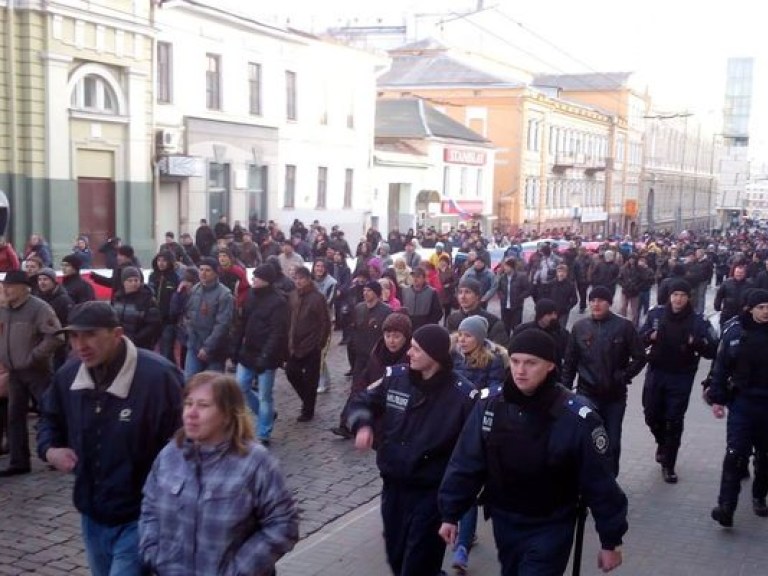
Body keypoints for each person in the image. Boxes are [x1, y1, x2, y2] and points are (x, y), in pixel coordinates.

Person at [438, 329, 628, 576]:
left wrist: (610, 541)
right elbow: (466, 462)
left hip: (552, 524)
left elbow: (600, 482)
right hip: (505, 519)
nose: (520, 370)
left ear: (550, 366)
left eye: (531, 363)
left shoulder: (577, 417)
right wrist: (450, 513)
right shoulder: (490, 406)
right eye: (515, 361)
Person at [37, 301, 183, 575]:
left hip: (142, 516)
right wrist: (49, 449)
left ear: (116, 334)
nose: (80, 345)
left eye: (90, 334)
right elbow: (49, 417)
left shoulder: (159, 376)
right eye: (74, 336)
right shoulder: (68, 375)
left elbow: (185, 442)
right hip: (91, 514)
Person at [348, 324, 477, 576]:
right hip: (394, 487)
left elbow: (471, 453)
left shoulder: (462, 396)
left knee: (418, 564)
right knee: (397, 559)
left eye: (416, 349)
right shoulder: (395, 378)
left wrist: (454, 508)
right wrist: (363, 425)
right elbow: (361, 400)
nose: (409, 353)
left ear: (435, 355)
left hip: (432, 494)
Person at [139, 372, 299, 575]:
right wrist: (153, 553)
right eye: (188, 403)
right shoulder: (170, 455)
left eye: (203, 405)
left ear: (227, 415)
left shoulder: (256, 463)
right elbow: (150, 506)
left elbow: (284, 524)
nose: (191, 413)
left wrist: (238, 570)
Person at [562, 285, 647, 476]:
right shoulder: (580, 328)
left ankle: (610, 480)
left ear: (609, 303)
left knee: (612, 442)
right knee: (587, 440)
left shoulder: (624, 327)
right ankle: (587, 483)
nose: (595, 304)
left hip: (614, 397)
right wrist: (564, 392)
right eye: (592, 300)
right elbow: (570, 363)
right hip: (586, 395)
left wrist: (624, 376)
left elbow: (640, 357)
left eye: (600, 300)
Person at [639, 278, 717, 483]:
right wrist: (650, 336)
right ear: (669, 296)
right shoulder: (656, 315)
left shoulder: (698, 320)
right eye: (675, 295)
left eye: (682, 295)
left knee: (674, 420)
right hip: (656, 371)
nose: (678, 299)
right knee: (651, 414)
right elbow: (639, 338)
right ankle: (662, 443)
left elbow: (713, 349)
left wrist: (697, 342)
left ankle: (668, 464)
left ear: (688, 297)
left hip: (681, 375)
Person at [449, 315, 508, 573]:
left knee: (470, 487)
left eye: (468, 335)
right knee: (456, 483)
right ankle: (461, 535)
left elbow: (494, 394)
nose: (462, 339)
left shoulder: (492, 361)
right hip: (452, 428)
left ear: (480, 339)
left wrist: (473, 394)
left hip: (475, 430)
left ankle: (462, 545)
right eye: (460, 334)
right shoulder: (452, 357)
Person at [707, 288, 768, 527]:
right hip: (742, 403)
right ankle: (726, 506)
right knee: (735, 455)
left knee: (766, 456)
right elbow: (721, 367)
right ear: (750, 309)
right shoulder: (735, 332)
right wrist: (717, 399)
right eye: (761, 307)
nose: (765, 312)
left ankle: (759, 495)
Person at [0, 271, 64, 476]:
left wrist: (35, 356)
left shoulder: (39, 308)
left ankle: (58, 451)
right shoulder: (4, 309)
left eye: (10, 286)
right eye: (4, 285)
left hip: (37, 371)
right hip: (14, 372)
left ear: (24, 287)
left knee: (50, 411)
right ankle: (19, 462)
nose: (6, 290)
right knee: (15, 417)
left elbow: (56, 337)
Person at [331, 311, 413, 440]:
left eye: (396, 336)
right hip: (378, 419)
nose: (391, 341)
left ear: (406, 337)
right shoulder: (377, 354)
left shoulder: (412, 359)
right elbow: (363, 383)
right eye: (388, 335)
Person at [232, 264, 289, 445]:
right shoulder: (250, 296)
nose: (253, 279)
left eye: (256, 277)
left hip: (268, 355)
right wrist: (234, 346)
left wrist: (265, 357)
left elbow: (277, 333)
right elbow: (242, 322)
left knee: (265, 395)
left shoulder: (279, 302)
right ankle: (268, 415)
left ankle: (263, 431)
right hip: (248, 351)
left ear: (266, 280)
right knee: (241, 387)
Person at [286, 266, 331, 422]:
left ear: (308, 279)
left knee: (311, 379)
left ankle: (308, 410)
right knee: (291, 372)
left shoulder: (317, 298)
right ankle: (307, 399)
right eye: (295, 278)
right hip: (295, 344)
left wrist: (320, 342)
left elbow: (325, 321)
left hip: (312, 344)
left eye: (301, 278)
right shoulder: (293, 296)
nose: (298, 281)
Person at [183, 257, 234, 378]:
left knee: (213, 387)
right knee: (189, 382)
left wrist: (207, 347)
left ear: (216, 273)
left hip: (215, 350)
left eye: (208, 270)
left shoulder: (224, 294)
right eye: (201, 269)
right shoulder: (195, 289)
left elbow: (222, 324)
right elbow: (188, 316)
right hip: (194, 346)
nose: (203, 273)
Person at [447, 278, 509, 348]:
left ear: (477, 296)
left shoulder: (492, 321)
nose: (463, 296)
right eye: (460, 292)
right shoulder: (452, 319)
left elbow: (500, 350)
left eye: (467, 292)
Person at [112, 266, 162, 350]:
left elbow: (153, 325)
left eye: (136, 280)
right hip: (120, 343)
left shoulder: (147, 299)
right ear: (123, 282)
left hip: (140, 345)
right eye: (130, 281)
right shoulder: (117, 298)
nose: (134, 283)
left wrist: (135, 338)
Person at [496, 257, 531, 334]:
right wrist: (501, 297)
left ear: (511, 267)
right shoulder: (502, 277)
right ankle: (506, 344)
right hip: (504, 307)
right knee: (505, 327)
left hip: (517, 307)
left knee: (516, 328)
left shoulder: (521, 277)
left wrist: (520, 297)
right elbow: (498, 289)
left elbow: (528, 290)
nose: (504, 268)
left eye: (506, 266)